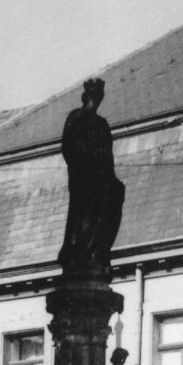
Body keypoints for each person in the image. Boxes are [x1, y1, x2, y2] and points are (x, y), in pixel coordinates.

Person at [57, 78, 125, 281]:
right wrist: (91, 157)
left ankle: (97, 249)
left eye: (99, 98)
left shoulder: (102, 124)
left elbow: (108, 154)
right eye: (93, 97)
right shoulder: (76, 118)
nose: (96, 101)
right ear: (87, 97)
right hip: (84, 176)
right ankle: (80, 251)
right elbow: (70, 148)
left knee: (113, 195)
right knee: (84, 215)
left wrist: (109, 174)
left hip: (102, 177)